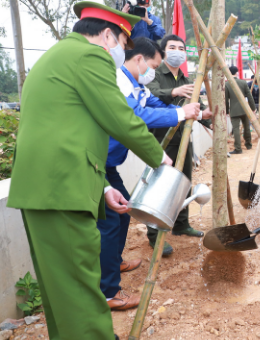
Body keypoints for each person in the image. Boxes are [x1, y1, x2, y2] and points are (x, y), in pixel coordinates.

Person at [6, 2, 173, 339]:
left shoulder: (60, 56)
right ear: (108, 34)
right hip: (60, 191)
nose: (121, 53)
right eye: (123, 45)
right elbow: (119, 115)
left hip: (47, 187)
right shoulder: (90, 56)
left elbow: (64, 132)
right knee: (81, 289)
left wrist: (100, 186)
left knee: (62, 294)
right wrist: (160, 158)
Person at [98, 37, 200, 311]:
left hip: (108, 162)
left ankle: (114, 262)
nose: (152, 72)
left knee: (123, 212)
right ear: (139, 59)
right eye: (152, 65)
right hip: (96, 162)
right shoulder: (119, 81)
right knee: (110, 221)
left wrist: (186, 112)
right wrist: (179, 113)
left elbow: (155, 105)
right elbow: (138, 116)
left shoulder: (137, 84)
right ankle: (107, 292)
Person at [146, 34, 212, 256]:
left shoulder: (186, 79)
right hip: (160, 139)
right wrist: (172, 92)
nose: (177, 51)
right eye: (172, 47)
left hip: (183, 138)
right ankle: (155, 235)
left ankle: (181, 224)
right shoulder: (154, 73)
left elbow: (197, 108)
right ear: (164, 52)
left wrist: (208, 116)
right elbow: (150, 95)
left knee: (184, 182)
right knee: (161, 186)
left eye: (181, 48)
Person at [226, 65, 256, 154]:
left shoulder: (227, 84)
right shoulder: (243, 83)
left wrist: (227, 111)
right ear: (237, 72)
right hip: (244, 109)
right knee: (246, 127)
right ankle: (248, 145)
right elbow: (250, 97)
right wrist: (253, 108)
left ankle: (238, 149)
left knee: (235, 128)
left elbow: (226, 100)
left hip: (234, 110)